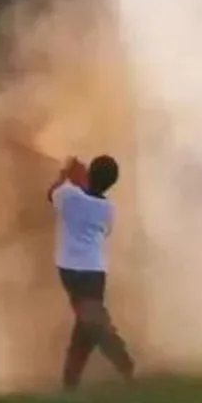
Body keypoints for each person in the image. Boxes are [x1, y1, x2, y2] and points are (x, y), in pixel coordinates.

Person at [48, 155, 136, 391]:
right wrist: (79, 180)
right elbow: (105, 232)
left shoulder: (68, 195)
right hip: (95, 271)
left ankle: (121, 363)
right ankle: (74, 380)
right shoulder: (108, 208)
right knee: (89, 323)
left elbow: (52, 194)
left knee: (89, 326)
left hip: (70, 270)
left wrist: (66, 173)